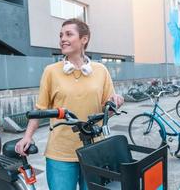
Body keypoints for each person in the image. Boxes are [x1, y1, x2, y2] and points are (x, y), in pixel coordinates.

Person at [15, 18, 124, 190]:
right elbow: (39, 109)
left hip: (95, 149)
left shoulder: (101, 71)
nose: (62, 39)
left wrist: (114, 103)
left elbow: (106, 111)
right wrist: (27, 136)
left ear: (84, 39)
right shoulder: (51, 71)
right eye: (60, 35)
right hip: (61, 152)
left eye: (68, 34)